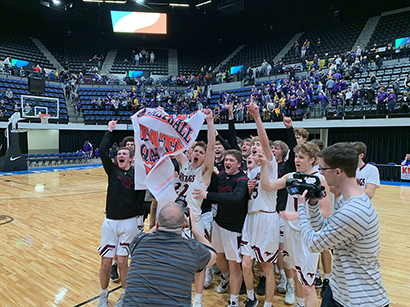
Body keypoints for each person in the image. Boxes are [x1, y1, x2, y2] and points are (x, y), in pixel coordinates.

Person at [297, 142, 390, 307]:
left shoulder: (354, 211)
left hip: (361, 299)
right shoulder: (346, 201)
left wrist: (301, 208)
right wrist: (312, 205)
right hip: (339, 291)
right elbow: (323, 229)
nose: (320, 173)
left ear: (338, 172)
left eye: (322, 169)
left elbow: (313, 243)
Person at [259, 142, 331, 307]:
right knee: (292, 270)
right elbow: (267, 186)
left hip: (308, 234)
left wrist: (295, 215)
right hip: (290, 231)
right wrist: (263, 165)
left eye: (301, 157)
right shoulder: (291, 176)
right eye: (296, 156)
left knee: (308, 283)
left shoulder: (320, 179)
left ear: (312, 159)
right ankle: (298, 302)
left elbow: (325, 212)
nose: (297, 160)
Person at [123, 203, 217, 307]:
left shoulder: (139, 241)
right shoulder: (193, 249)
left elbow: (145, 234)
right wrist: (193, 227)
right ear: (184, 225)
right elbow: (213, 256)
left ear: (158, 224)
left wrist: (160, 223)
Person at [97, 120, 146, 307]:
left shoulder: (139, 175)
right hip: (110, 221)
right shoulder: (112, 171)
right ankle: (103, 294)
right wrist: (109, 130)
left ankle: (125, 295)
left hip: (130, 222)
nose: (121, 155)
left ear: (131, 158)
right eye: (119, 154)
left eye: (125, 153)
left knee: (123, 262)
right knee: (105, 264)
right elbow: (102, 151)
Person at [193, 149, 249, 307]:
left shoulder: (242, 180)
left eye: (231, 160)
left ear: (239, 164)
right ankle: (225, 277)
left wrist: (208, 196)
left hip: (234, 228)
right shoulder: (222, 176)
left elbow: (236, 198)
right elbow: (209, 189)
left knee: (234, 264)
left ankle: (234, 300)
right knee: (218, 257)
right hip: (218, 224)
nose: (228, 162)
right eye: (226, 160)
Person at [174, 108, 215, 307]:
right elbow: (174, 148)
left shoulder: (205, 172)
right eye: (195, 151)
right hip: (175, 219)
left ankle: (197, 300)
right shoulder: (184, 164)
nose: (197, 153)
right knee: (176, 262)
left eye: (201, 152)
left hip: (193, 220)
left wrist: (209, 122)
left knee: (198, 265)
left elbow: (212, 148)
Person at [240, 103, 279, 307]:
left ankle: (269, 303)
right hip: (251, 218)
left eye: (258, 149)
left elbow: (264, 142)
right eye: (252, 150)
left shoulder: (270, 166)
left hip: (267, 218)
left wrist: (257, 117)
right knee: (246, 264)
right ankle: (251, 297)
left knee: (267, 267)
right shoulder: (249, 173)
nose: (255, 152)